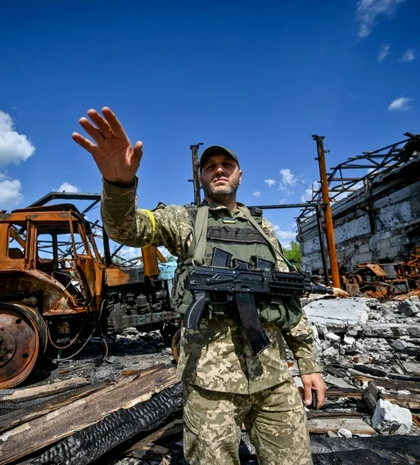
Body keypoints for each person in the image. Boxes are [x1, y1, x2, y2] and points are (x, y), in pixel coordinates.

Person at [72, 107, 326, 465]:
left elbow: (288, 302)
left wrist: (308, 364)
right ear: (201, 177)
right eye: (211, 166)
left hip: (274, 381)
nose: (219, 169)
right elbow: (126, 229)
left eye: (227, 164)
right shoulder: (184, 220)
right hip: (210, 387)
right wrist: (119, 185)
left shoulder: (263, 229)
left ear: (240, 174)